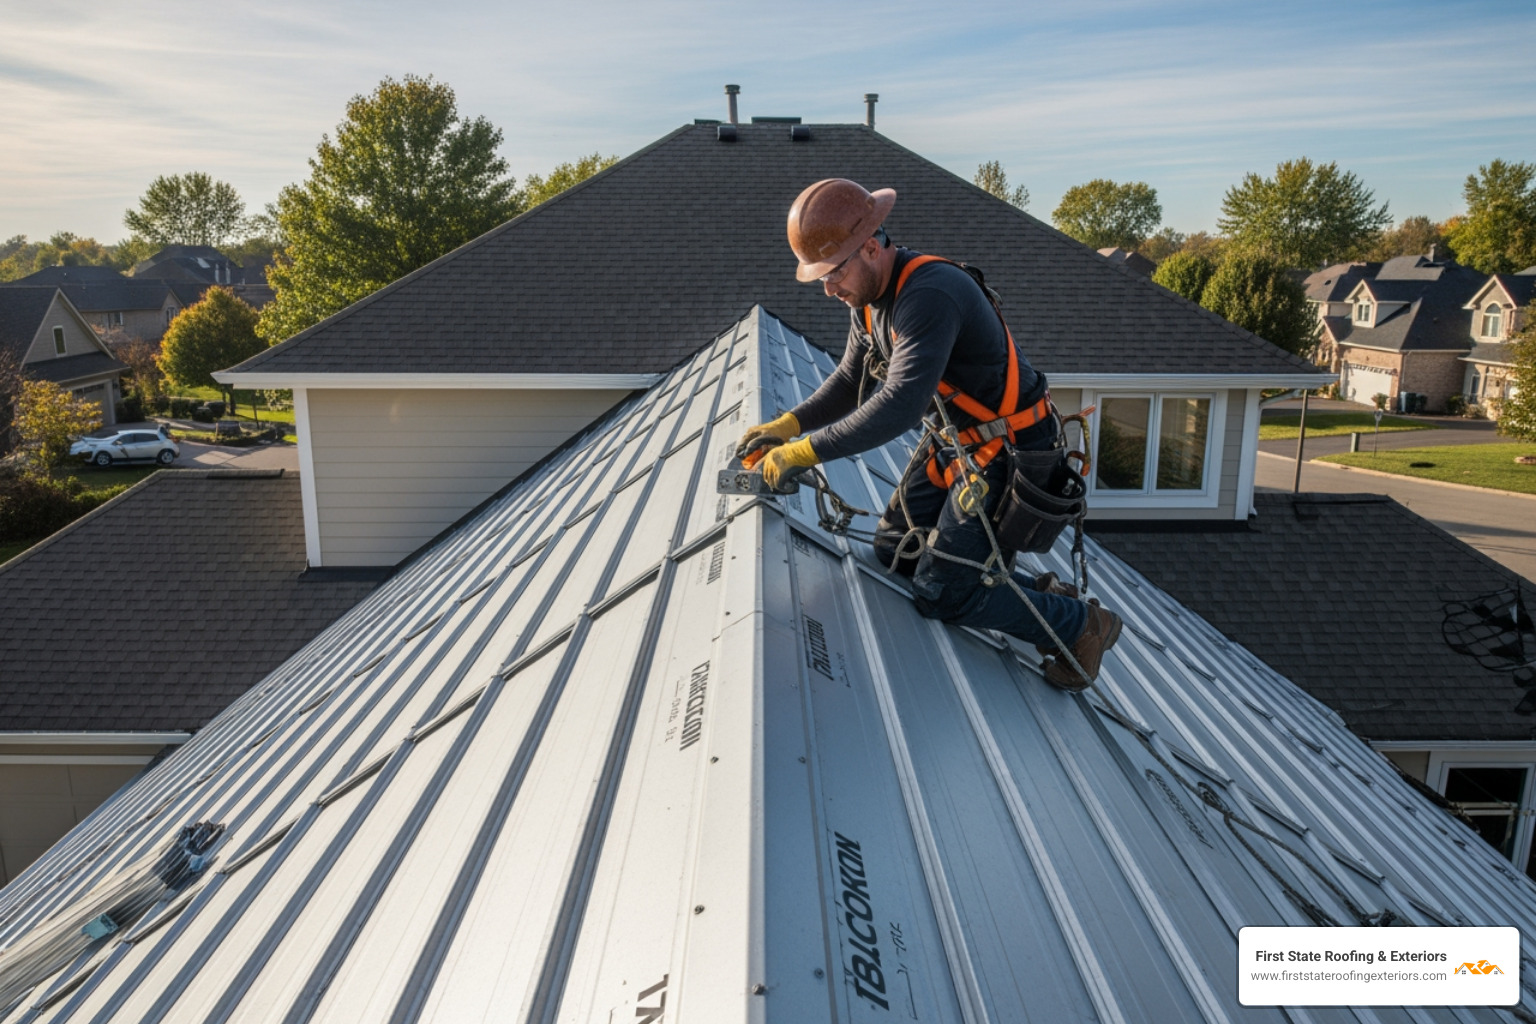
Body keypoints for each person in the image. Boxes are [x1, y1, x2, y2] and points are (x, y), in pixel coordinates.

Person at [737, 178, 1121, 690]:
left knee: (942, 592)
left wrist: (803, 451)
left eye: (834, 273)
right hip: (961, 444)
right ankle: (1044, 594)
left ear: (871, 247)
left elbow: (898, 404)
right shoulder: (869, 301)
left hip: (1011, 453)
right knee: (897, 549)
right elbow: (854, 379)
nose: (829, 289)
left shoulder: (930, 295)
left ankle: (1084, 625)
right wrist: (789, 423)